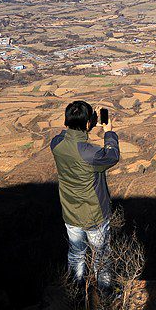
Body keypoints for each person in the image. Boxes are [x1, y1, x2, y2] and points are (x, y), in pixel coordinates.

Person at [49, 100, 120, 293]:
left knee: (76, 253)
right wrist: (109, 132)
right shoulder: (90, 154)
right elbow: (112, 155)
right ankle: (105, 293)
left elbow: (66, 136)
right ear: (88, 123)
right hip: (94, 213)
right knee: (101, 255)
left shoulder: (56, 144)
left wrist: (84, 124)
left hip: (70, 211)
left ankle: (77, 290)